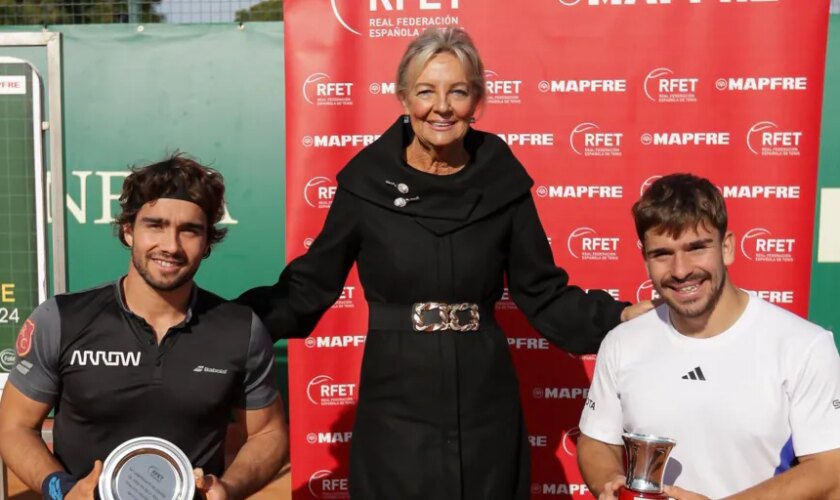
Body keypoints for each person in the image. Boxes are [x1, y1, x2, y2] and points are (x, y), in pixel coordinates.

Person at [238, 27, 651, 499]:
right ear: (402, 98)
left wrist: (618, 316)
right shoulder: (366, 183)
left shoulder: (502, 179)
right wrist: (235, 323)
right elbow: (310, 286)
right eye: (426, 91)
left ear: (476, 100)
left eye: (458, 91)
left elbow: (543, 292)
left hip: (486, 403)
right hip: (395, 404)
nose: (442, 107)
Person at [0, 154, 289, 500]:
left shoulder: (241, 330)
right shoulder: (61, 319)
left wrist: (230, 487)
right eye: (155, 225)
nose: (171, 246)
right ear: (127, 231)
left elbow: (267, 434)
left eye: (190, 231)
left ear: (208, 242)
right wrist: (62, 490)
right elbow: (15, 427)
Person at [577, 173, 840, 499]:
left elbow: (830, 471)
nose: (681, 269)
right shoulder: (622, 342)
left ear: (726, 247)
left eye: (697, 248)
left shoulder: (803, 345)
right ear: (645, 259)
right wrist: (610, 482)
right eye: (662, 254)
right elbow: (596, 440)